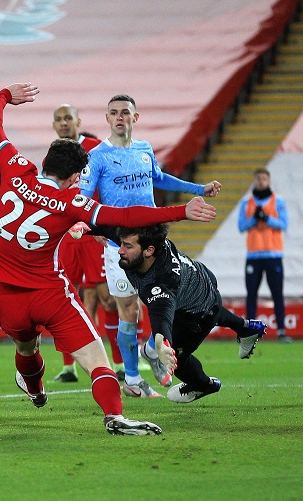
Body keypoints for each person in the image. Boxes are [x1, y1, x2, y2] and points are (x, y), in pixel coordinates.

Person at [0, 82, 217, 435]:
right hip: (49, 294)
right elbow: (126, 218)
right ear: (76, 177)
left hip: (6, 296)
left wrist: (4, 97)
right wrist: (181, 210)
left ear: (45, 162)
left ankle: (35, 389)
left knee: (27, 348)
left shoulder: (14, 167)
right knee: (96, 361)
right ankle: (115, 416)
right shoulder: (72, 203)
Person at [79, 94, 222, 399]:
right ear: (107, 119)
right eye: (114, 113)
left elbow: (158, 178)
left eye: (125, 113)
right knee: (128, 310)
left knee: (159, 305)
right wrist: (94, 228)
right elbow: (83, 197)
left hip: (154, 247)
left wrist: (199, 189)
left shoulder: (144, 149)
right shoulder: (98, 156)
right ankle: (132, 378)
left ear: (135, 117)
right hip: (121, 247)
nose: (119, 117)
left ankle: (154, 350)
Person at [116, 224, 267, 403]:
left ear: (149, 251)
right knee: (207, 308)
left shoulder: (161, 283)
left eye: (128, 246)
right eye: (121, 243)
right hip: (201, 281)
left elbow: (162, 315)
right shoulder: (155, 243)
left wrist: (162, 343)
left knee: (177, 357)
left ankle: (203, 385)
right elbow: (107, 226)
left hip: (199, 313)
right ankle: (246, 328)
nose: (120, 250)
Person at [50, 104, 122, 383]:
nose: (64, 123)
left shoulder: (95, 147)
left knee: (107, 297)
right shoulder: (53, 154)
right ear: (54, 125)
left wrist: (104, 222)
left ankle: (117, 363)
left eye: (68, 118)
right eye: (59, 119)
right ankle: (68, 368)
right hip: (66, 234)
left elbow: (109, 183)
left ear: (78, 121)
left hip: (92, 232)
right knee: (64, 296)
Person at [238, 168, 290, 343]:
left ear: (269, 181)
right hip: (253, 255)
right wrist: (254, 218)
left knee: (277, 293)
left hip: (273, 254)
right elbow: (241, 226)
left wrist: (266, 218)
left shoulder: (278, 201)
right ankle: (252, 331)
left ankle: (281, 331)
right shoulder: (247, 203)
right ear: (254, 181)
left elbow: (284, 224)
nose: (261, 181)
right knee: (251, 294)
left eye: (264, 179)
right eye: (258, 178)